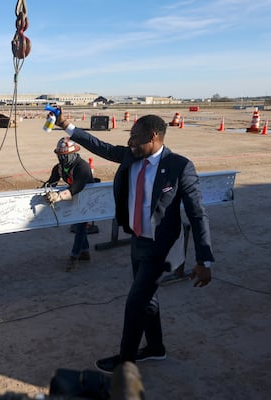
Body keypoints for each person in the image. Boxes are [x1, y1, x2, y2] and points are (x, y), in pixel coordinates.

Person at [54, 111, 214, 374]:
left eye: (135, 137)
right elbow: (101, 146)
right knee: (147, 299)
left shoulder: (179, 166)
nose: (130, 142)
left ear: (153, 136)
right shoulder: (131, 156)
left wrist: (203, 260)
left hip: (159, 248)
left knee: (135, 303)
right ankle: (156, 348)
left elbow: (197, 214)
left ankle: (126, 362)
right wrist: (67, 126)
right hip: (137, 240)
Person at [44, 137, 95, 271]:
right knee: (80, 225)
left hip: (89, 199)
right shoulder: (59, 168)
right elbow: (51, 182)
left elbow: (77, 187)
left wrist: (59, 196)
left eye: (64, 156)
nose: (62, 159)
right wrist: (44, 190)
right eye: (60, 156)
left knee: (80, 226)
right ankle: (85, 252)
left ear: (72, 154)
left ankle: (74, 257)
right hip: (75, 197)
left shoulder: (82, 167)